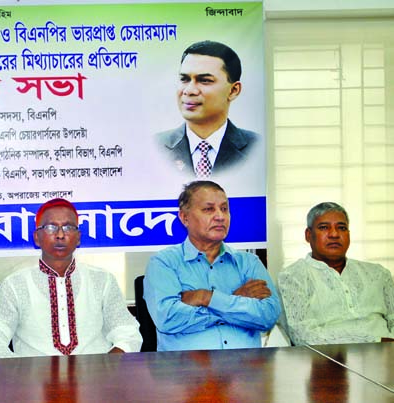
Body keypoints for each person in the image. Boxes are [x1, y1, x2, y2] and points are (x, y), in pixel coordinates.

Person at [0, 198, 142, 358]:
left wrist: (107, 365)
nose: (60, 235)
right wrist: (23, 373)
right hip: (33, 379)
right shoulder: (15, 285)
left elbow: (127, 332)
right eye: (51, 227)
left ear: (78, 237)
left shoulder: (102, 280)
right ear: (37, 237)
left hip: (95, 378)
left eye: (68, 227)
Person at [144, 181, 280, 351]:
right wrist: (234, 299)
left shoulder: (248, 262)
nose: (220, 216)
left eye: (224, 209)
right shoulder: (164, 263)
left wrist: (205, 297)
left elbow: (268, 316)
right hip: (186, 372)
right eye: (209, 209)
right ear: (184, 217)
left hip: (245, 371)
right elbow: (168, 319)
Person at [277, 202, 394, 345]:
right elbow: (303, 336)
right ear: (308, 235)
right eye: (324, 228)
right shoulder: (292, 277)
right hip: (329, 360)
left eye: (342, 228)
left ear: (349, 235)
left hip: (387, 355)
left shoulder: (378, 274)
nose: (334, 234)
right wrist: (373, 340)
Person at [156, 40, 260, 178]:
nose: (189, 90)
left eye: (204, 80)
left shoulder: (257, 147)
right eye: (184, 79)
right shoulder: (156, 146)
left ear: (233, 90)